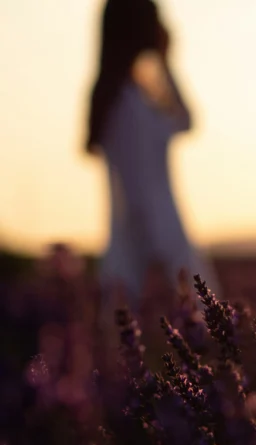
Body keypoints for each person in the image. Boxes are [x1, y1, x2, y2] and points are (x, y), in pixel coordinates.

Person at [85, 0, 220, 318]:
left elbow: (186, 121)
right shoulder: (131, 103)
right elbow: (140, 189)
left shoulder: (120, 95)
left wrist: (164, 63)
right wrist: (159, 259)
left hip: (132, 252)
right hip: (157, 248)